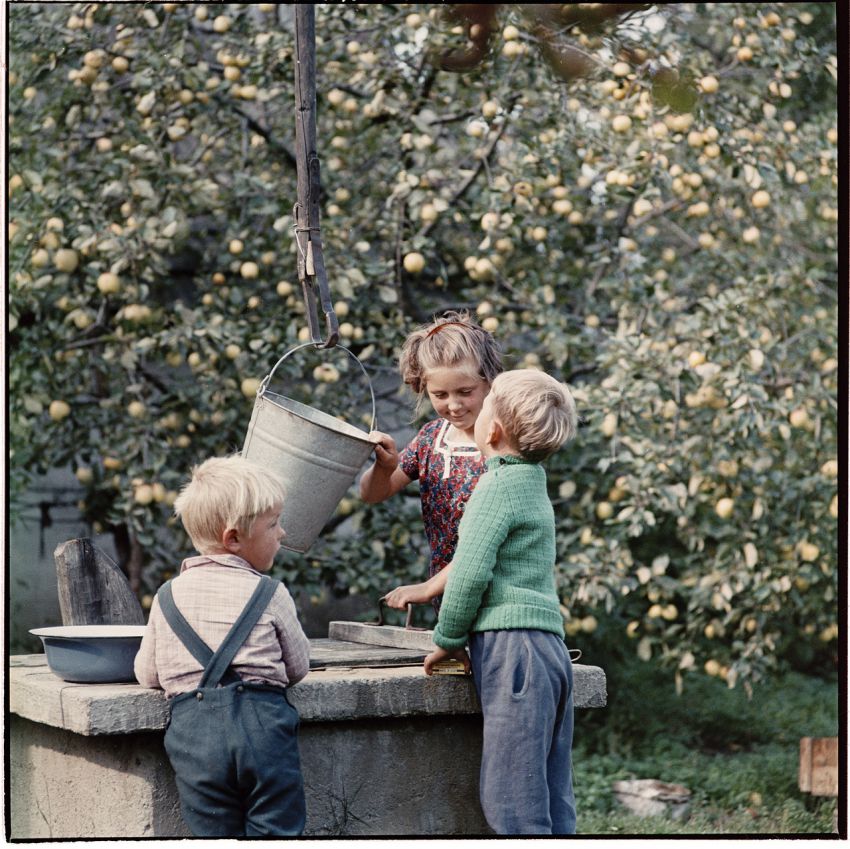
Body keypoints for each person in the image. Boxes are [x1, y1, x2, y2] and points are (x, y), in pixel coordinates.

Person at [423, 369, 579, 835]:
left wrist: (448, 638)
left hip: (514, 652)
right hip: (549, 650)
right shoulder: (533, 482)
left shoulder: (494, 489)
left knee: (511, 796)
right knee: (550, 787)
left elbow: (468, 575)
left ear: (491, 431)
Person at [134, 454, 310, 837]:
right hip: (264, 730)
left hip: (195, 739)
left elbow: (147, 674)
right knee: (277, 832)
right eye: (274, 524)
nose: (281, 533)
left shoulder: (167, 597)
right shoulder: (271, 593)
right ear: (234, 538)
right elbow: (298, 668)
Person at [360, 310, 502, 612]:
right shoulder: (431, 439)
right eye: (440, 394)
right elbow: (372, 494)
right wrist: (385, 467)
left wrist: (428, 587)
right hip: (448, 597)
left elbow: (488, 542)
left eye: (465, 392)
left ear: (489, 382)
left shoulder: (503, 443)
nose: (453, 404)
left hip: (498, 596)